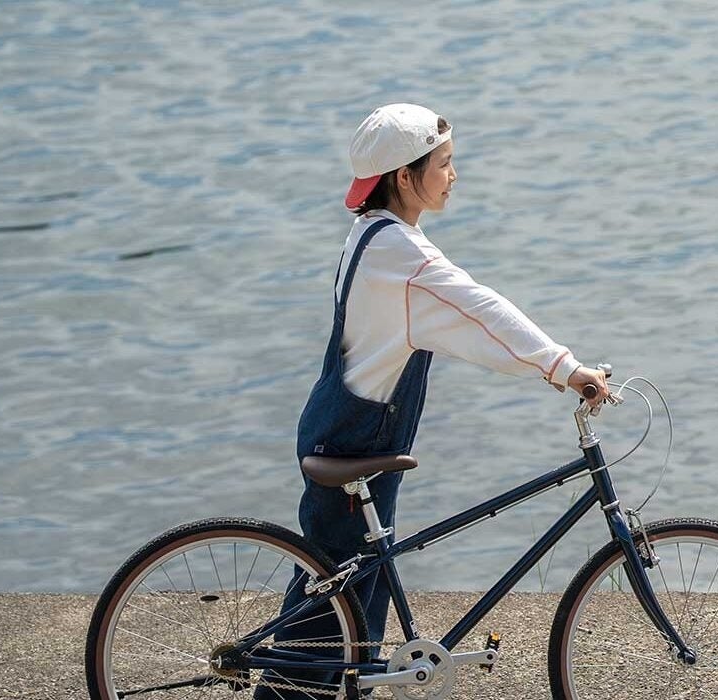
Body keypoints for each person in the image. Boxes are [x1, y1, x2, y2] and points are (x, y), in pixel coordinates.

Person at [255, 103, 608, 699]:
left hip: (344, 425)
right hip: (359, 437)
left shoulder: (373, 234)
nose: (454, 175)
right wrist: (566, 370)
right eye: (443, 164)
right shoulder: (403, 255)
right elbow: (482, 311)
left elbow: (465, 315)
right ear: (404, 176)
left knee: (343, 606)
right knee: (326, 624)